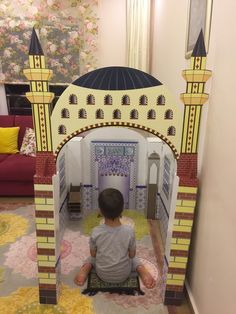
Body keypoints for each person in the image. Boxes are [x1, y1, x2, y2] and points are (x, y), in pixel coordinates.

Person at [74, 188, 155, 289]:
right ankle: (142, 271)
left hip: (102, 274)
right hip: (124, 274)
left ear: (100, 211)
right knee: (135, 259)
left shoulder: (96, 231)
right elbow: (131, 255)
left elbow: (93, 254)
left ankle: (85, 269)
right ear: (122, 210)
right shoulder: (129, 231)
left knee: (90, 259)